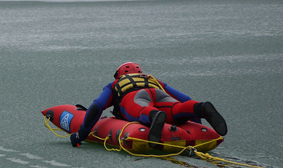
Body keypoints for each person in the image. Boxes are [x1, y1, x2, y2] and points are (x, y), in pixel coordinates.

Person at [70, 62, 227, 148]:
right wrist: (194, 125)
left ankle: (154, 116)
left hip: (134, 97)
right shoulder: (152, 80)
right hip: (158, 93)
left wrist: (81, 134)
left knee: (141, 110)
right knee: (177, 109)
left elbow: (97, 106)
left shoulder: (115, 84)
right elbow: (185, 98)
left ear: (120, 75)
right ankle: (201, 108)